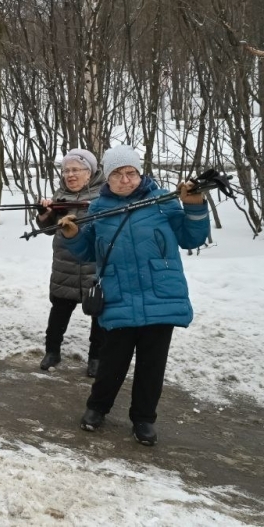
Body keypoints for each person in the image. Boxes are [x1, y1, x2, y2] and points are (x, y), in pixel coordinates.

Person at [58, 145, 209, 446]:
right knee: (112, 361)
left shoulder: (162, 202)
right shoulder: (100, 209)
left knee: (152, 365)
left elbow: (192, 238)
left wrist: (194, 206)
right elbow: (87, 251)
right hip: (117, 295)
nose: (125, 180)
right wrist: (72, 235)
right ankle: (97, 408)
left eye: (131, 173)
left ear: (140, 174)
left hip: (161, 295)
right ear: (107, 178)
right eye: (117, 174)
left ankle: (143, 419)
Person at [35, 148, 106, 376]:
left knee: (99, 314)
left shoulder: (105, 197)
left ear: (90, 172)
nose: (70, 175)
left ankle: (96, 357)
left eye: (76, 170)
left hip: (93, 265)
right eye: (66, 170)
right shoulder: (60, 196)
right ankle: (52, 351)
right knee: (59, 310)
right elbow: (47, 230)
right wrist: (45, 214)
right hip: (64, 264)